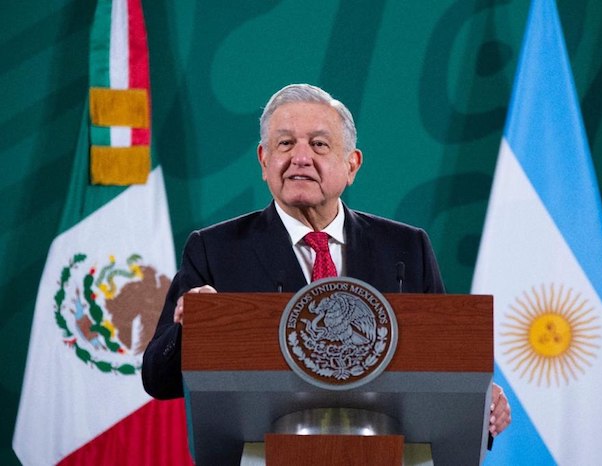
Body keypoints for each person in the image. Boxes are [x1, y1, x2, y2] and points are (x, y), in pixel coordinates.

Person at [142, 83, 511, 439]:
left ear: (352, 165)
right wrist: (190, 329)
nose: (300, 158)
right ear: (264, 160)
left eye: (319, 144)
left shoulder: (405, 248)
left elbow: (443, 364)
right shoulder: (215, 250)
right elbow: (158, 379)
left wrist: (481, 398)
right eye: (285, 143)